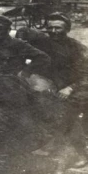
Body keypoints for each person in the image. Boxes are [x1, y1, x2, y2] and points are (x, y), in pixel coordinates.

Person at [0, 15, 51, 174]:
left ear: (8, 30)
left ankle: (5, 165)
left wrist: (25, 72)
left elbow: (43, 58)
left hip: (11, 91)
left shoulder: (18, 45)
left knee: (8, 127)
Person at [35, 13, 88, 173]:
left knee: (68, 109)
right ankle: (49, 142)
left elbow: (86, 74)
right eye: (50, 27)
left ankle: (82, 154)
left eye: (58, 28)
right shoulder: (43, 44)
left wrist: (70, 88)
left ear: (67, 29)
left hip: (78, 87)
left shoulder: (77, 48)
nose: (53, 31)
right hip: (53, 86)